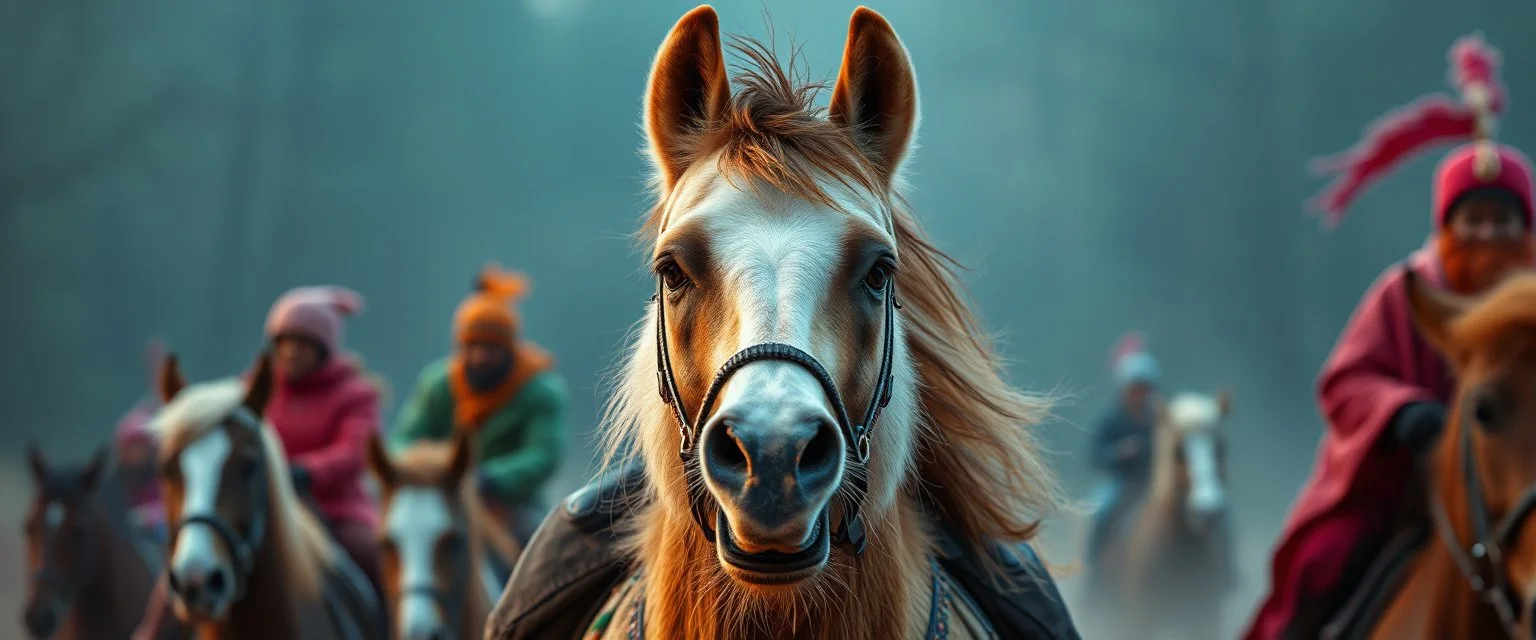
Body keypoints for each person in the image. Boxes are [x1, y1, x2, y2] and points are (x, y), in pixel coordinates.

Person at [1244, 34, 1535, 640]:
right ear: (1445, 227)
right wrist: (1402, 414)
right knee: (1322, 566)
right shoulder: (1405, 292)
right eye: (1472, 219)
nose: (1487, 234)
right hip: (1406, 494)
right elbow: (1346, 380)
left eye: (1502, 219)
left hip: (1522, 488)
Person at [134, 286, 384, 640]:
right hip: (259, 502)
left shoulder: (355, 394)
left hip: (332, 508)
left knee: (370, 556)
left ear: (324, 350)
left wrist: (307, 472)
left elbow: (355, 452)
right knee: (188, 562)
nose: (293, 352)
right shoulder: (251, 390)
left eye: (304, 344)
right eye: (285, 343)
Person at [390, 265, 566, 545]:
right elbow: (403, 440)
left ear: (510, 347)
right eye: (471, 347)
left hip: (510, 506)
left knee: (544, 554)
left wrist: (489, 479)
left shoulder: (539, 390)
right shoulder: (437, 384)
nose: (480, 357)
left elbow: (543, 455)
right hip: (442, 498)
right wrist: (423, 472)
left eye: (490, 348)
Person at [1086, 330, 1160, 580]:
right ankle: (1094, 579)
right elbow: (1095, 455)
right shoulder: (1112, 420)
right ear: (1124, 389)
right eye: (1135, 388)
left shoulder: (1160, 420)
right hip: (1122, 484)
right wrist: (1119, 452)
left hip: (1155, 485)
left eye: (1145, 388)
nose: (1140, 393)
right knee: (1102, 513)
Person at [115, 339, 169, 542]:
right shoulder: (120, 483)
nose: (136, 455)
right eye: (132, 448)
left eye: (141, 448)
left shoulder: (159, 477)